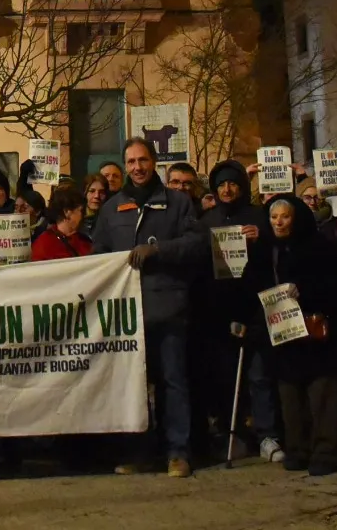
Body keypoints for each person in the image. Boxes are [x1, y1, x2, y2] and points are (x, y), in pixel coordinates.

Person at [91, 138, 205, 478]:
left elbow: (196, 243)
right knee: (134, 386)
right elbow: (99, 254)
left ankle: (177, 453)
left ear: (154, 162)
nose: (137, 167)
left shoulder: (178, 203)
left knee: (172, 382)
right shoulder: (112, 208)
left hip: (168, 307)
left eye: (142, 160)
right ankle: (142, 453)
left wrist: (158, 250)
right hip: (128, 314)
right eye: (130, 162)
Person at [243, 194, 337, 475]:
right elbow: (250, 285)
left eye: (285, 216)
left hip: (316, 332)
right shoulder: (263, 249)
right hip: (281, 333)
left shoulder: (319, 247)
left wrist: (306, 290)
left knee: (321, 394)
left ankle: (324, 451)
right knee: (289, 396)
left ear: (297, 218)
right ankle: (298, 448)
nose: (279, 222)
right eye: (274, 217)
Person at [202, 160, 282, 464]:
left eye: (232, 183)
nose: (227, 189)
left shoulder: (259, 218)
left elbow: (279, 249)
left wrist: (261, 239)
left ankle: (267, 434)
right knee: (224, 375)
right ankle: (229, 431)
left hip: (255, 306)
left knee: (259, 374)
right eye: (221, 184)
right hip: (220, 309)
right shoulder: (207, 220)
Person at [31, 187, 93, 261]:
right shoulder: (44, 244)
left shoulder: (85, 241)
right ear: (67, 212)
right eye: (81, 211)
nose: (85, 215)